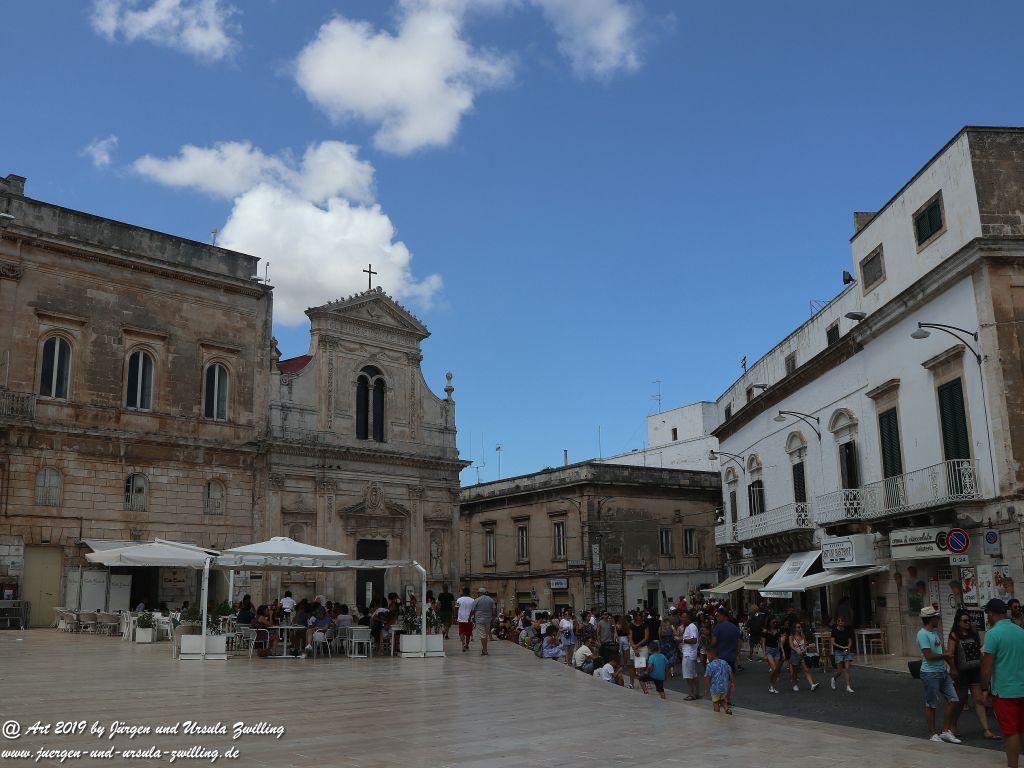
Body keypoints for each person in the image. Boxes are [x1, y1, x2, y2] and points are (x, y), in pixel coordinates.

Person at [982, 598, 1024, 767]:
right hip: (1022, 688)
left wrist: (985, 689)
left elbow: (987, 667)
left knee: (1010, 732)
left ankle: (1013, 765)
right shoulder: (1020, 631)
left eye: (987, 614)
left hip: (1005, 691)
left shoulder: (992, 634)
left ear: (991, 614)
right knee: (1021, 729)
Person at [947, 608, 997, 741]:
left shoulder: (973, 633)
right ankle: (953, 724)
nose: (968, 623)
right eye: (965, 621)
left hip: (975, 670)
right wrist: (953, 669)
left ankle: (986, 730)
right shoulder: (954, 635)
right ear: (958, 622)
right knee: (961, 700)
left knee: (979, 700)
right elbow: (950, 654)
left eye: (969, 620)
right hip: (962, 672)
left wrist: (984, 664)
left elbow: (979, 650)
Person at [917, 605, 962, 744]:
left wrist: (952, 668)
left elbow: (943, 652)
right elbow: (928, 655)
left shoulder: (935, 634)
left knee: (954, 699)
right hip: (930, 673)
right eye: (936, 617)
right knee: (931, 704)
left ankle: (945, 731)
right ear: (930, 619)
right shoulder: (922, 634)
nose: (939, 619)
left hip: (942, 671)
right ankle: (933, 734)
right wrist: (945, 655)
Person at [788, 622, 819, 692]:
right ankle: (794, 684)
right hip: (794, 655)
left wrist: (804, 649)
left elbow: (805, 645)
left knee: (806, 669)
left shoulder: (803, 635)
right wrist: (797, 650)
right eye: (798, 627)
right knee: (795, 672)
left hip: (801, 655)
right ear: (795, 628)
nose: (800, 628)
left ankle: (812, 685)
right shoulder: (791, 636)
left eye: (800, 627)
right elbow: (791, 645)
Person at [711, 608, 741, 675]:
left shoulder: (718, 627)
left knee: (720, 680)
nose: (716, 618)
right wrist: (737, 655)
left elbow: (713, 643)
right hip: (731, 658)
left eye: (718, 616)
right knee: (730, 679)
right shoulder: (735, 628)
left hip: (720, 658)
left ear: (724, 616)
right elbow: (739, 643)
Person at [829, 615, 855, 693]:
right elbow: (833, 642)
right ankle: (834, 679)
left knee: (847, 669)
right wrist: (842, 647)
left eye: (842, 621)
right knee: (839, 671)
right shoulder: (834, 631)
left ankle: (848, 686)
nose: (841, 623)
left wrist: (848, 647)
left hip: (846, 651)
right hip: (838, 651)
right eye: (839, 621)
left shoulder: (846, 630)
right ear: (837, 622)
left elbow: (850, 640)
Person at [705, 646, 733, 714]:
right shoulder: (724, 662)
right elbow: (730, 672)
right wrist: (732, 682)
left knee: (716, 702)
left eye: (707, 655)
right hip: (724, 687)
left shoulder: (710, 665)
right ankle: (727, 709)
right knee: (723, 700)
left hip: (715, 688)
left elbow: (707, 678)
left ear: (711, 655)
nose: (707, 657)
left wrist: (706, 688)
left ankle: (717, 713)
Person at [680, 611, 701, 700]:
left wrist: (682, 640)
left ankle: (691, 693)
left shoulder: (691, 627)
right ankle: (696, 692)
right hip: (688, 653)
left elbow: (694, 640)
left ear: (688, 618)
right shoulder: (688, 627)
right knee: (693, 674)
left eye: (684, 617)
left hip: (689, 654)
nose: (682, 619)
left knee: (689, 675)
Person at [627, 612, 649, 689]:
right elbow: (630, 636)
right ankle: (631, 683)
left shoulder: (644, 625)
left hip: (642, 647)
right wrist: (634, 646)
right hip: (633, 646)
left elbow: (646, 637)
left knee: (641, 666)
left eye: (640, 618)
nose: (639, 619)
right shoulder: (631, 625)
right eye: (638, 618)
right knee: (632, 665)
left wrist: (637, 645)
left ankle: (643, 682)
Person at [473, 587, 496, 656]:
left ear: (480, 593)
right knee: (485, 635)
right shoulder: (491, 600)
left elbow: (473, 610)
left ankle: (485, 650)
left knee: (482, 636)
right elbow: (494, 611)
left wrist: (471, 618)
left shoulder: (477, 600)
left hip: (479, 620)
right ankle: (484, 649)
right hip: (488, 619)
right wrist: (492, 618)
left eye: (478, 593)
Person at [765, 618, 783, 694]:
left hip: (776, 651)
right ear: (770, 623)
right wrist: (764, 653)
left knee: (775, 670)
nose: (775, 624)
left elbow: (780, 642)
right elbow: (763, 643)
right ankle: (770, 684)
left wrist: (783, 651)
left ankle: (772, 686)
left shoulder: (778, 631)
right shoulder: (765, 632)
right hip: (769, 650)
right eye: (773, 622)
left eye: (776, 622)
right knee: (774, 668)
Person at [455, 587, 475, 653]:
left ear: (463, 592)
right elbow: (473, 610)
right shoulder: (472, 600)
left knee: (462, 632)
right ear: (469, 592)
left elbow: (456, 608)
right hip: (469, 619)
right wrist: (470, 616)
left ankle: (463, 644)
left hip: (461, 618)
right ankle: (467, 644)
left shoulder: (459, 600)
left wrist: (456, 616)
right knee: (468, 633)